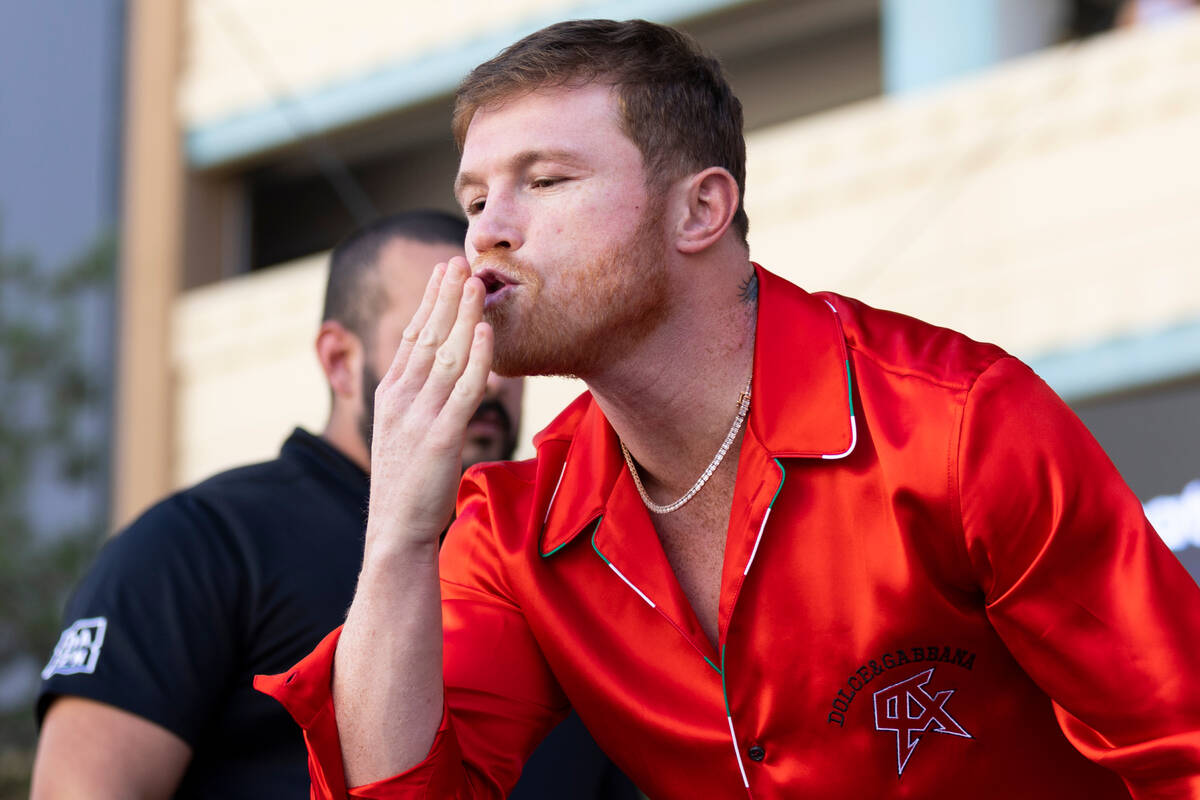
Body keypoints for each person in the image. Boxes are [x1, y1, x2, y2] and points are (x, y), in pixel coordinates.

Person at [259, 20, 1200, 800]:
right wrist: (396, 531)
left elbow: (1181, 746)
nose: (486, 231)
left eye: (543, 182)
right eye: (473, 197)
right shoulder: (514, 530)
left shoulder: (956, 425)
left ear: (700, 211)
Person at [30, 211, 633, 799]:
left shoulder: (565, 550)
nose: (489, 375)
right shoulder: (201, 540)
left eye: (495, 334)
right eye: (445, 333)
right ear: (340, 362)